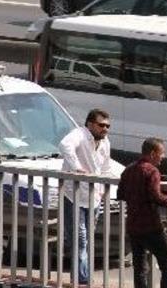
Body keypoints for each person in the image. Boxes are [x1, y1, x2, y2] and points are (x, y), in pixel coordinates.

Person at [58, 108, 113, 286]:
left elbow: (105, 167)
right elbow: (64, 145)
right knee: (79, 239)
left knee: (87, 239)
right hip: (74, 195)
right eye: (101, 125)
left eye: (107, 126)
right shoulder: (79, 134)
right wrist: (76, 168)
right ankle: (82, 280)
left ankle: (82, 277)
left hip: (94, 197)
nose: (105, 129)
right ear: (90, 124)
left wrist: (105, 189)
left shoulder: (105, 143)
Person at [118, 138, 167, 288]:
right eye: (161, 153)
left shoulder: (129, 169)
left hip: (132, 224)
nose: (163, 157)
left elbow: (120, 193)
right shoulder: (152, 171)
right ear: (152, 153)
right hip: (150, 225)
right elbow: (157, 197)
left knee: (140, 266)